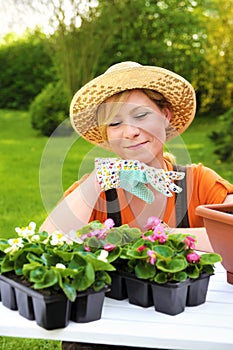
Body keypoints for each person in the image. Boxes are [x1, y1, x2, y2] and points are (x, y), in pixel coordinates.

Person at [40, 61, 233, 350]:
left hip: (187, 326)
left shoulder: (198, 181)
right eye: (115, 123)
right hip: (108, 330)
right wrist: (97, 180)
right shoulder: (96, 190)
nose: (129, 131)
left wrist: (162, 237)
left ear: (166, 116)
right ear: (106, 135)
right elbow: (46, 242)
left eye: (141, 115)